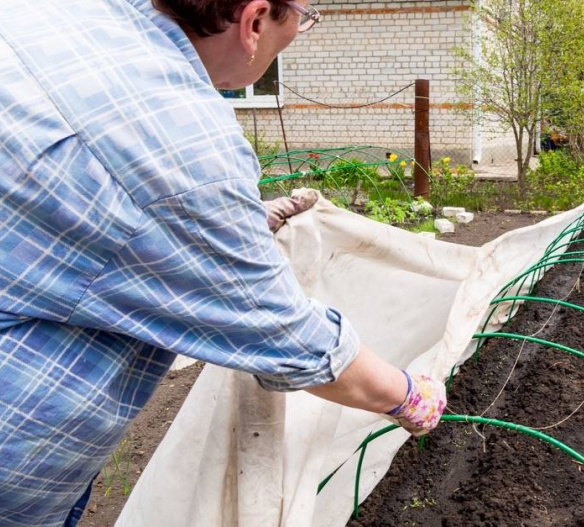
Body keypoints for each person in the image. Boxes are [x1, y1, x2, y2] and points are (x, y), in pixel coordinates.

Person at [0, 1, 446, 526]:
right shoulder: (186, 145)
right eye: (301, 17)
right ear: (255, 20)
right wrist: (409, 397)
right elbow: (289, 338)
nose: (300, 30)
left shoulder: (49, 20)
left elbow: (87, 208)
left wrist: (238, 223)